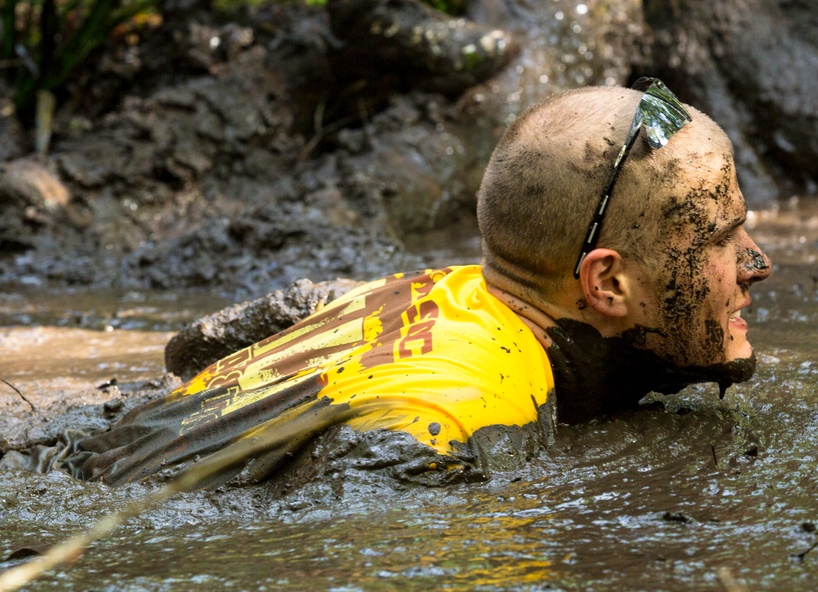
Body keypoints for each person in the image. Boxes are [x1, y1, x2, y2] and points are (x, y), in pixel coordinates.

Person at [2, 79, 771, 488]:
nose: (756, 264)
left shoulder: (420, 290)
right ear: (606, 284)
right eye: (723, 238)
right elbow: (361, 538)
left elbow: (199, 343)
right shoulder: (468, 413)